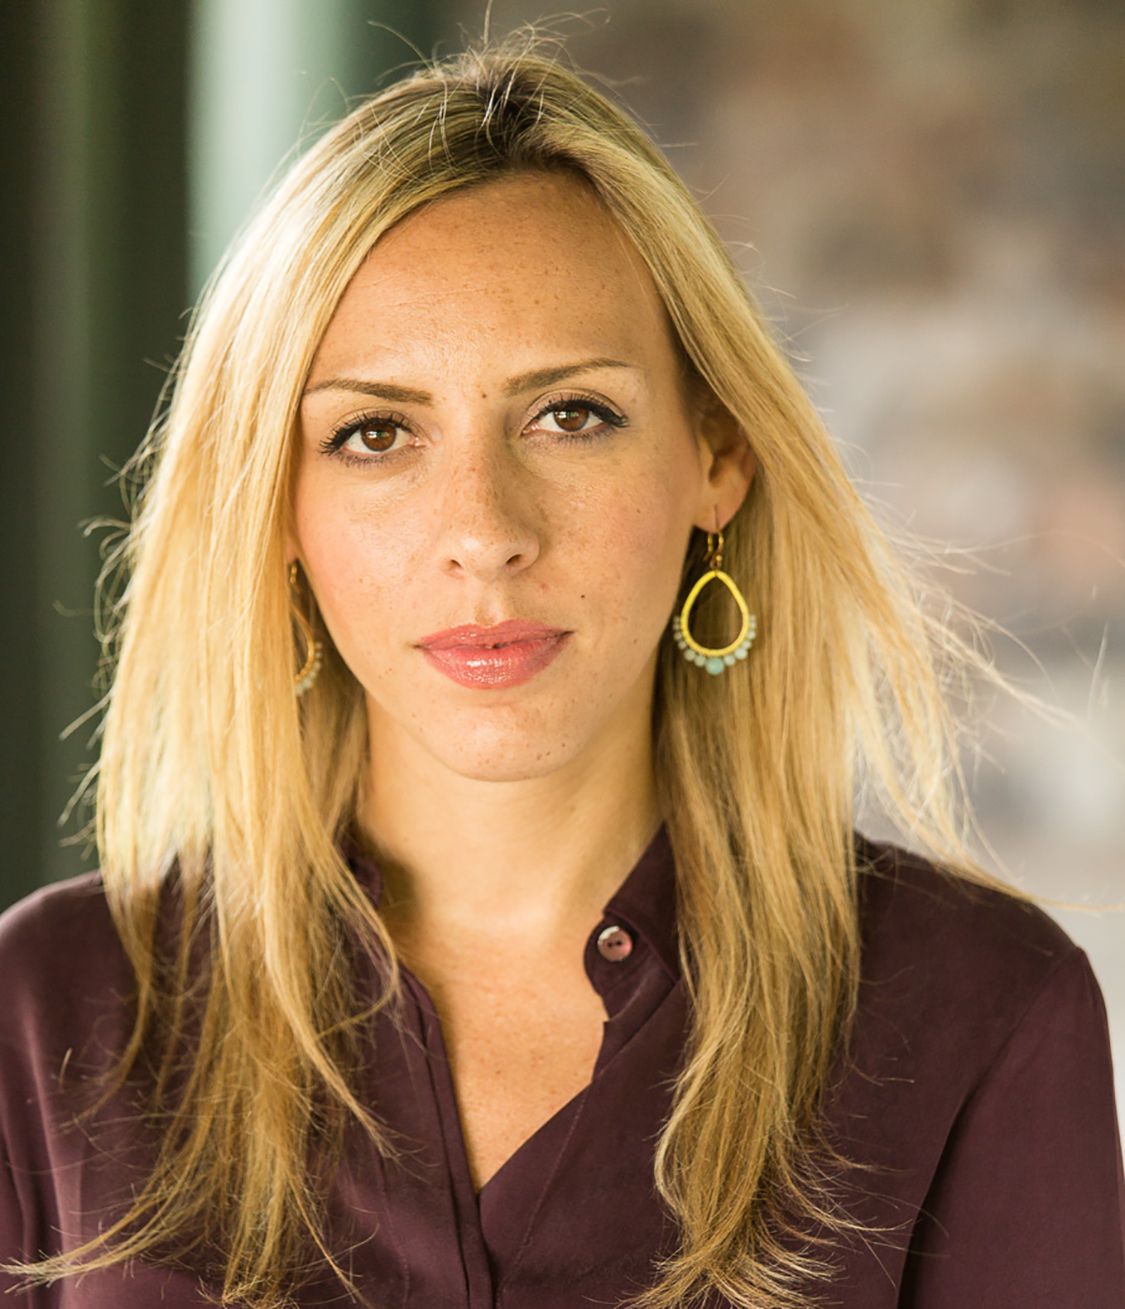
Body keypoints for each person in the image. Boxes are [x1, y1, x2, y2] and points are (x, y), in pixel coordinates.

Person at [1, 29, 1122, 1309]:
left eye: (570, 414)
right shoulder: (50, 1013)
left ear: (717, 456)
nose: (483, 528)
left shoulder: (981, 1009)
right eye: (374, 433)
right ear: (277, 510)